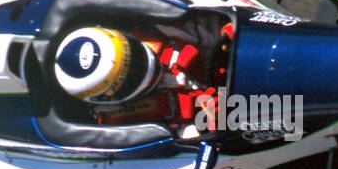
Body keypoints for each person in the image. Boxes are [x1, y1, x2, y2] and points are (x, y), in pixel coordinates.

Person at [53, 24, 223, 138]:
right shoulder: (123, 123)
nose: (138, 68)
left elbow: (209, 29)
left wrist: (227, 39)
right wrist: (208, 123)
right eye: (128, 76)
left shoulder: (155, 32)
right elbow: (180, 142)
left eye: (133, 57)